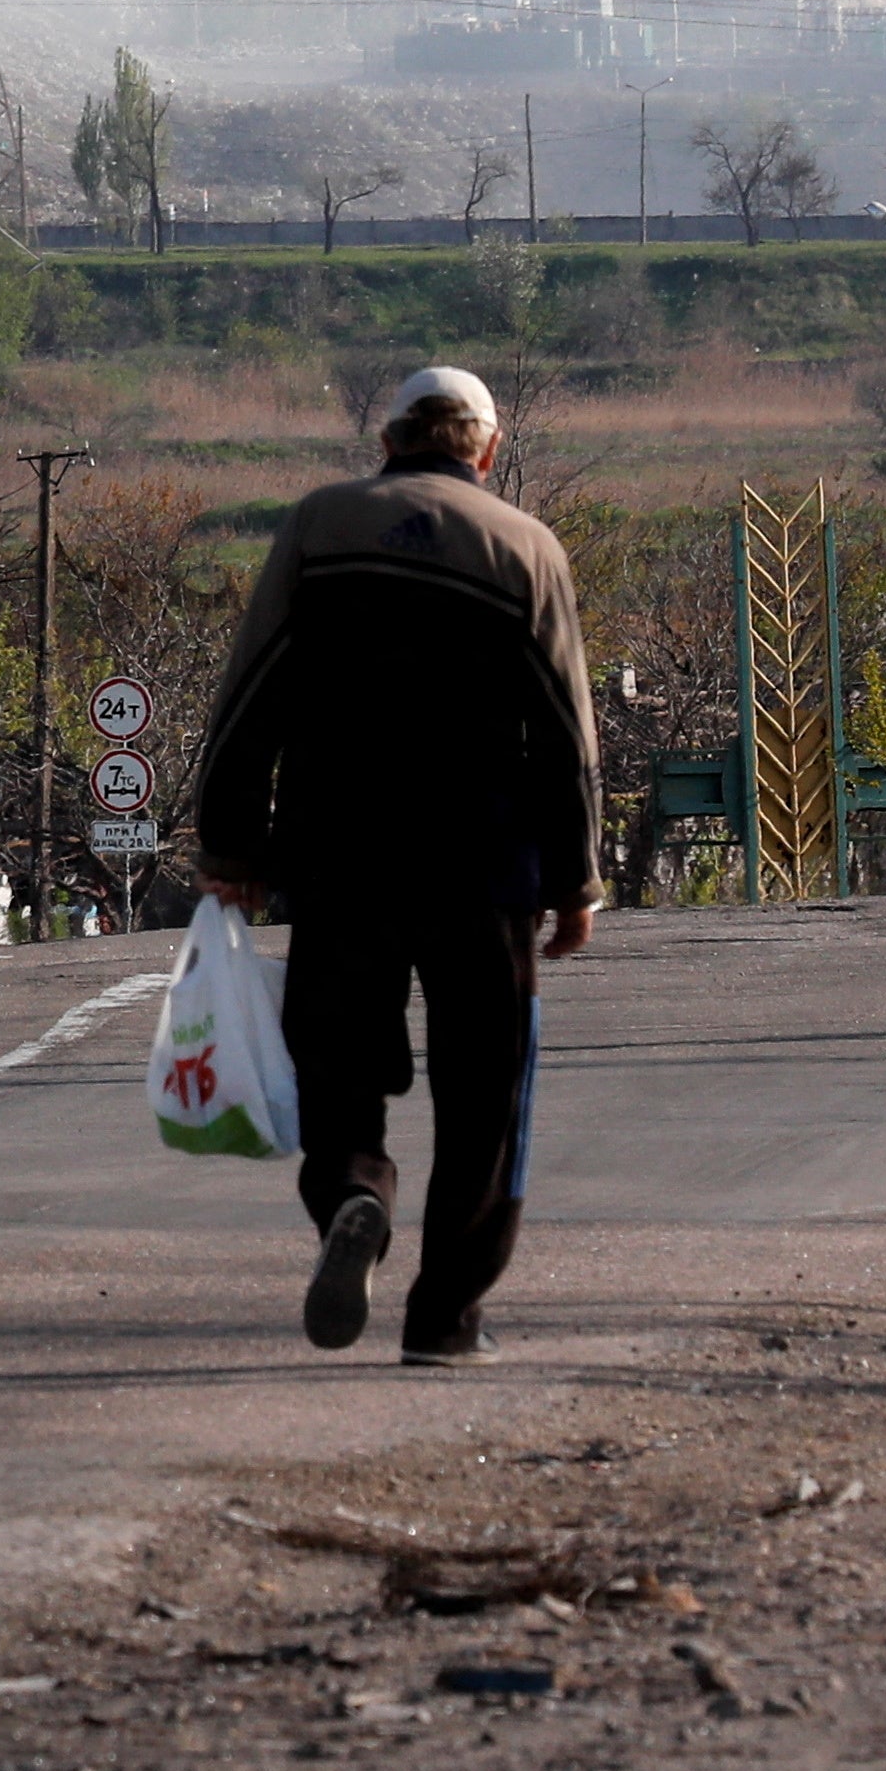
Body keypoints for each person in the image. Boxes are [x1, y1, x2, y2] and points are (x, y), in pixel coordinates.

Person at [191, 364, 602, 1368]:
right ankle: (445, 1318)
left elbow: (252, 691)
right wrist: (574, 876)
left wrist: (230, 844)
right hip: (483, 869)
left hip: (337, 858)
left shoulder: (319, 525)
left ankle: (354, 1194)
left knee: (332, 1065)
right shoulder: (523, 547)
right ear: (485, 448)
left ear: (385, 441)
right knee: (483, 1092)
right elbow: (563, 731)